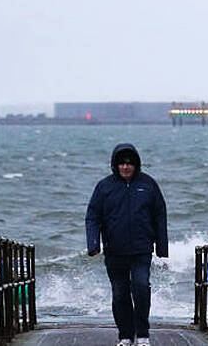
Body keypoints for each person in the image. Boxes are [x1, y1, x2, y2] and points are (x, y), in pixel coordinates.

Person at [85, 143, 168, 346]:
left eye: (130, 163)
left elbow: (159, 215)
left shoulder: (148, 184)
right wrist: (93, 243)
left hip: (141, 249)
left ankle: (142, 335)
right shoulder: (104, 186)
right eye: (121, 163)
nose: (125, 167)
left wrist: (162, 247)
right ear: (115, 165)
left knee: (141, 288)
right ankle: (125, 336)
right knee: (120, 293)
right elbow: (92, 217)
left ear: (136, 164)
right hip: (115, 250)